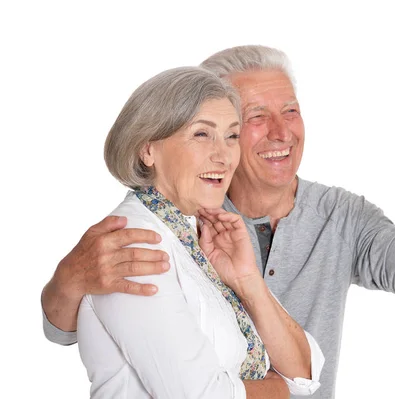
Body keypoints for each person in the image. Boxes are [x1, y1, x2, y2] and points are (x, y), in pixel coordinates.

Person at [42, 45, 395, 399]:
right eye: (254, 118)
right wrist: (67, 279)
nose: (281, 131)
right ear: (153, 146)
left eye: (289, 111)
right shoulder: (185, 224)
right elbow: (69, 331)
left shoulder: (336, 215)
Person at [73, 65, 324, 398]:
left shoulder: (198, 238)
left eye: (232, 136)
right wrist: (277, 390)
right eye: (202, 134)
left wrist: (248, 281)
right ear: (148, 149)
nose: (222, 156)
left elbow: (305, 374)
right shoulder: (132, 244)